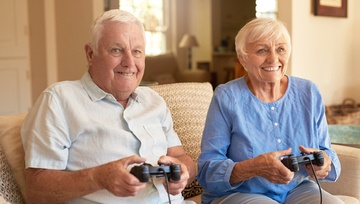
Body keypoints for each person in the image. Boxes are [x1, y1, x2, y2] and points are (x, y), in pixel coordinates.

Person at [21, 9, 195, 204]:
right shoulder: (58, 100)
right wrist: (97, 178)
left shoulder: (155, 101)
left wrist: (182, 171)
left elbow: (180, 156)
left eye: (137, 51)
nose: (129, 62)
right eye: (116, 50)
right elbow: (36, 189)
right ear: (90, 54)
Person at [197, 18, 343, 204]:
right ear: (243, 58)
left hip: (298, 189)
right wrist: (252, 168)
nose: (273, 59)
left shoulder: (309, 92)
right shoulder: (227, 96)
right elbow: (207, 169)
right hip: (241, 193)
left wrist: (324, 163)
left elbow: (328, 154)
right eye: (262, 50)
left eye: (280, 49)